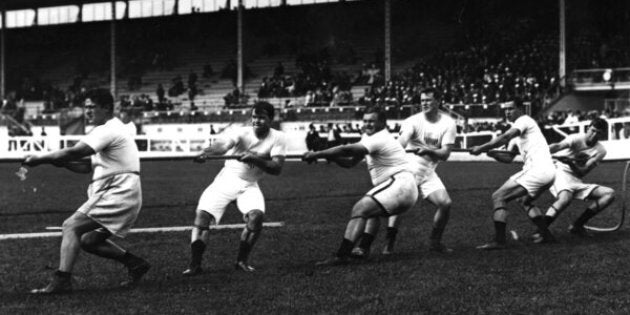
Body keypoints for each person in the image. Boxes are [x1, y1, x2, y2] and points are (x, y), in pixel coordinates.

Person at [23, 89, 149, 294]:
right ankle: (135, 263)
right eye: (86, 107)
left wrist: (39, 159)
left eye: (91, 107)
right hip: (124, 191)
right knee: (88, 240)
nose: (87, 111)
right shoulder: (108, 130)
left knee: (70, 226)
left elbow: (74, 152)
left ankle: (62, 281)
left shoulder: (107, 129)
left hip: (118, 189)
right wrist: (61, 163)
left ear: (106, 108)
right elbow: (84, 166)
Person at [303, 107, 418, 265]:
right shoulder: (368, 137)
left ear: (382, 123)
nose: (367, 124)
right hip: (400, 187)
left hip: (400, 185)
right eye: (365, 121)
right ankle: (363, 249)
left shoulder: (380, 137)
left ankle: (342, 255)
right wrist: (332, 158)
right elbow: (350, 162)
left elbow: (346, 149)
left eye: (371, 121)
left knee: (360, 208)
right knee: (371, 211)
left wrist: (317, 154)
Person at [183, 101, 287, 275]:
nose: (257, 121)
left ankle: (241, 262)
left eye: (261, 118)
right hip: (227, 180)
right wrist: (206, 152)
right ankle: (194, 265)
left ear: (271, 119)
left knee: (256, 217)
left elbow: (276, 168)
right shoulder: (241, 132)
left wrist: (254, 159)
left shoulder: (279, 137)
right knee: (202, 216)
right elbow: (222, 145)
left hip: (249, 185)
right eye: (254, 117)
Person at [352, 88, 456, 257]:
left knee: (445, 203)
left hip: (428, 172)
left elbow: (445, 154)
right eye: (422, 101)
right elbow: (401, 142)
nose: (424, 104)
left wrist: (428, 151)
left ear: (438, 101)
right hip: (407, 170)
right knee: (393, 207)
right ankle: (382, 244)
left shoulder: (449, 123)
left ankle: (435, 242)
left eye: (428, 100)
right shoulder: (412, 121)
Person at [470, 100, 556, 250]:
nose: (507, 112)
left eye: (511, 109)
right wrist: (492, 154)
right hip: (547, 172)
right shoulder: (517, 130)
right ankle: (546, 235)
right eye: (505, 109)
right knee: (524, 201)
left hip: (538, 170)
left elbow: (503, 138)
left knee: (498, 196)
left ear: (520, 109)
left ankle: (499, 241)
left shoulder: (524, 120)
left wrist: (481, 147)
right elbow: (508, 158)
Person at [537, 118, 615, 238]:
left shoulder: (601, 151)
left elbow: (582, 173)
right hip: (559, 172)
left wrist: (571, 163)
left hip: (575, 178)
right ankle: (540, 231)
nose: (594, 135)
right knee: (565, 198)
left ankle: (577, 226)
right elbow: (558, 146)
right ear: (587, 128)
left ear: (602, 134)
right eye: (593, 131)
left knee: (609, 194)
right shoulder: (576, 138)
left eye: (598, 133)